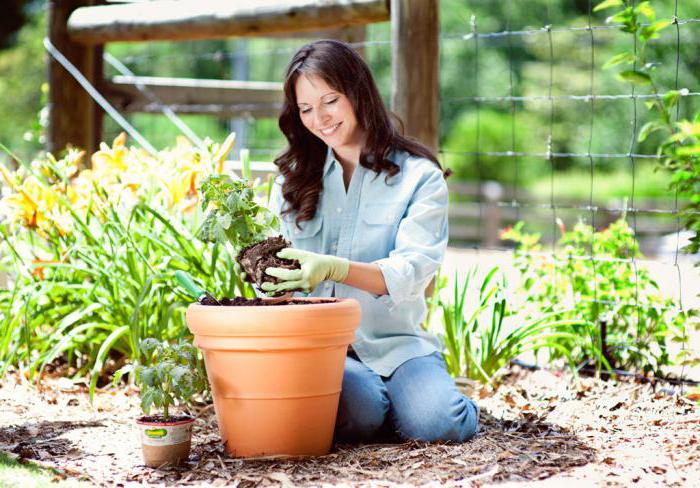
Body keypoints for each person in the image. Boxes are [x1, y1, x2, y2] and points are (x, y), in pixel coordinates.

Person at [261, 39, 479, 444]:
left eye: (330, 101)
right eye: (306, 109)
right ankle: (384, 406)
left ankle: (420, 398)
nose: (319, 118)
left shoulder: (418, 177)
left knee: (440, 424)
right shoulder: (292, 182)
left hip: (398, 345)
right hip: (326, 350)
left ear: (358, 93)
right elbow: (277, 279)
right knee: (358, 410)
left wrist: (334, 267)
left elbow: (412, 272)